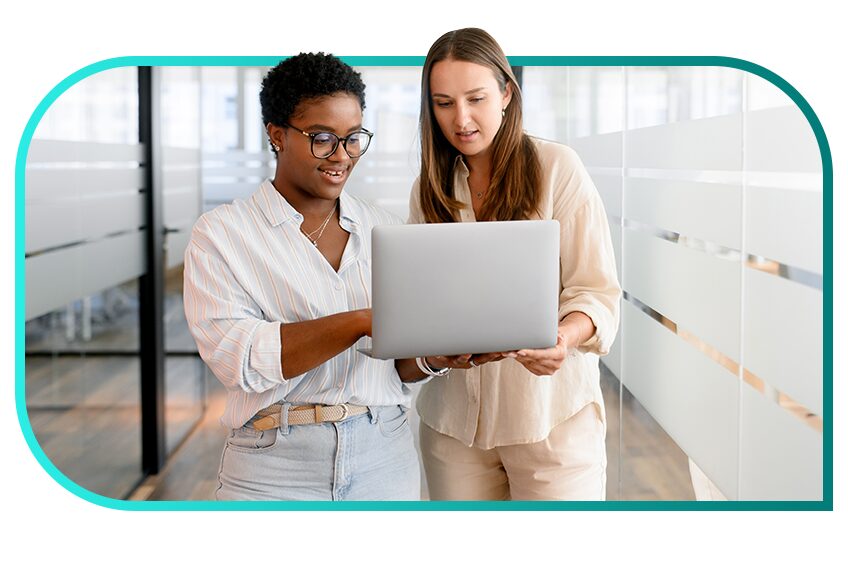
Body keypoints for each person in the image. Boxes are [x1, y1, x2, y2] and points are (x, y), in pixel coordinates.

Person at [183, 53, 423, 501]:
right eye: (323, 138)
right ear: (276, 135)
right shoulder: (221, 235)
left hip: (384, 453)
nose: (342, 156)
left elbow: (400, 367)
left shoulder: (385, 230)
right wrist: (360, 321)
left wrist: (439, 355)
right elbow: (239, 362)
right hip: (272, 466)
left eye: (354, 138)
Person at [408, 28, 622, 500]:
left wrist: (563, 339)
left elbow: (596, 291)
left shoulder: (557, 167)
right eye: (443, 103)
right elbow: (421, 298)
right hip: (453, 429)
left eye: (476, 98)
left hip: (552, 423)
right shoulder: (431, 186)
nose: (460, 119)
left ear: (506, 93)